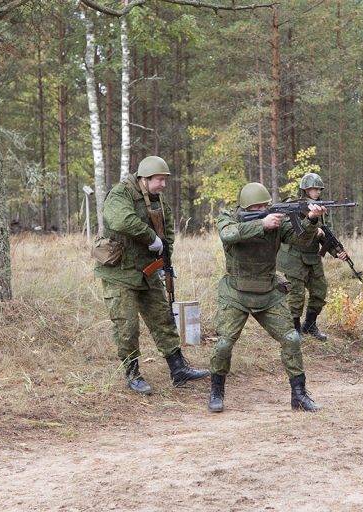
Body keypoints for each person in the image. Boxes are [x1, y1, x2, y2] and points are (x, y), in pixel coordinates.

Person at [95, 155, 208, 395]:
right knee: (127, 326)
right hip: (120, 273)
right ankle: (133, 374)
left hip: (147, 272)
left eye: (165, 180)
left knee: (163, 319)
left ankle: (178, 369)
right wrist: (150, 237)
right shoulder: (120, 194)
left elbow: (167, 235)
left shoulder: (158, 202)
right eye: (159, 180)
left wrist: (165, 260)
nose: (163, 185)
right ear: (144, 179)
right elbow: (120, 220)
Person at [208, 183, 324, 413]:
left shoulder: (278, 220)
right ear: (245, 207)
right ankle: (216, 392)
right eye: (257, 207)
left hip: (268, 291)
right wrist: (261, 223)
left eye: (264, 206)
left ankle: (299, 395)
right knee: (223, 344)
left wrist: (311, 219)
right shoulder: (228, 217)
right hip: (235, 292)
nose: (263, 209)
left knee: (291, 338)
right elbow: (228, 234)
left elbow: (300, 240)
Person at [276, 172, 347, 341]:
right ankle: (294, 328)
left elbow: (326, 234)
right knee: (296, 295)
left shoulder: (320, 208)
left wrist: (337, 251)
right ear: (305, 189)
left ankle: (309, 325)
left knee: (319, 291)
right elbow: (293, 232)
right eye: (313, 189)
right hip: (293, 256)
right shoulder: (291, 205)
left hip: (312, 255)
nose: (317, 192)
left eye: (319, 189)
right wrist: (313, 226)